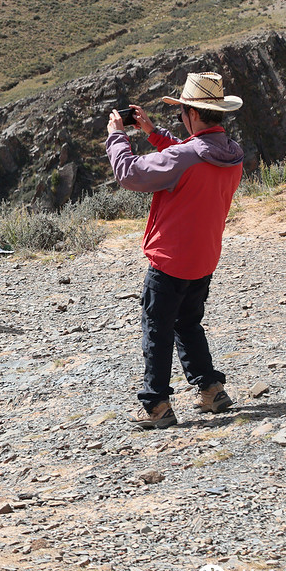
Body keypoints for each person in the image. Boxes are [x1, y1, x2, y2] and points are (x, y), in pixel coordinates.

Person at [105, 72, 244, 429]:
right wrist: (152, 132)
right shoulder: (231, 153)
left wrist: (117, 136)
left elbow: (130, 173)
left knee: (157, 328)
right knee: (188, 322)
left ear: (193, 114)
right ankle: (211, 390)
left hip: (169, 259)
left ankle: (156, 405)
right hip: (204, 256)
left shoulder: (187, 156)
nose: (182, 117)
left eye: (183, 111)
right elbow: (191, 154)